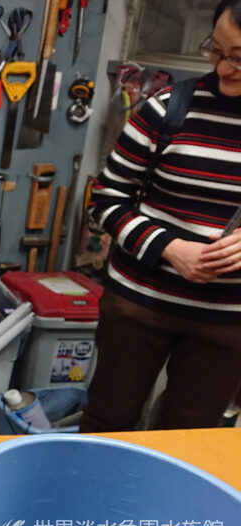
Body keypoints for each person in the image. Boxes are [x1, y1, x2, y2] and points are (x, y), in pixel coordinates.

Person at [80, 0, 241, 432]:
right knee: (107, 422)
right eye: (217, 50)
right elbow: (106, 198)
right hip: (139, 304)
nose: (223, 68)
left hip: (228, 320)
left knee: (191, 440)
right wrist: (169, 248)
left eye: (239, 58)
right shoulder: (167, 109)